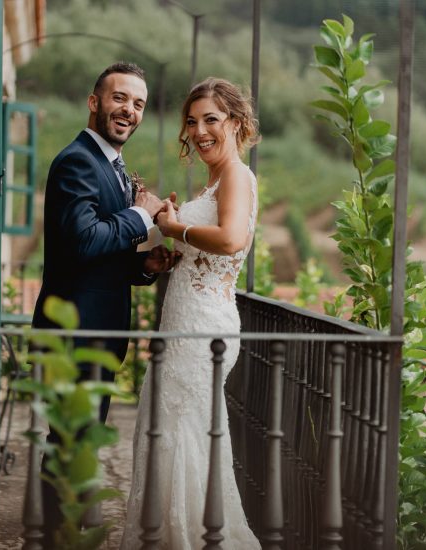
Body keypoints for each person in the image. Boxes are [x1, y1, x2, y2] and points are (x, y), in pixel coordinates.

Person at [32, 61, 179, 544]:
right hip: (75, 332)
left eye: (138, 104)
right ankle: (59, 536)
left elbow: (99, 255)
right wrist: (141, 213)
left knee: (80, 446)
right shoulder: (77, 161)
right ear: (95, 102)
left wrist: (143, 268)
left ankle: (68, 531)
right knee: (68, 446)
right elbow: (82, 242)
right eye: (120, 98)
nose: (129, 111)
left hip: (99, 329)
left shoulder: (111, 167)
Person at [120, 77, 261, 549]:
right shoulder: (215, 181)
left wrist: (174, 227)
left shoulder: (238, 175)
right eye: (192, 121)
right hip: (184, 320)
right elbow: (208, 246)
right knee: (173, 430)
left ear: (236, 124)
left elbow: (232, 239)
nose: (199, 131)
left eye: (211, 120)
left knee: (182, 433)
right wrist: (173, 243)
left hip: (204, 326)